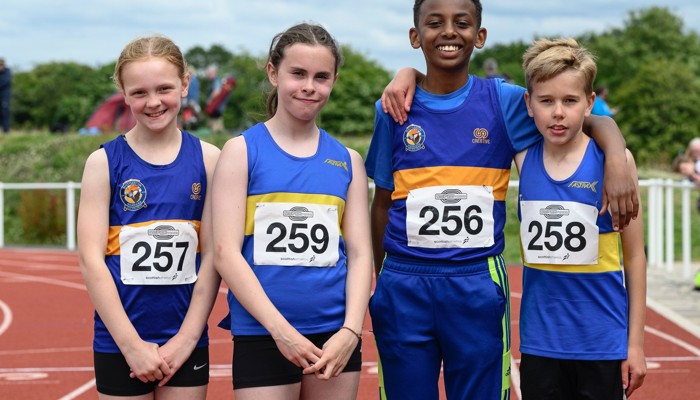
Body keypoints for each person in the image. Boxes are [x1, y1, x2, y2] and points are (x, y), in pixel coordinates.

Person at [365, 1, 639, 399]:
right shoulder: (393, 107)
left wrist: (615, 153)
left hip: (476, 282)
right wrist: (381, 282)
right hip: (403, 284)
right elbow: (382, 203)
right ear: (414, 36)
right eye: (434, 23)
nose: (448, 32)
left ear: (479, 36)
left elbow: (575, 110)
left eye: (461, 23)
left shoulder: (507, 102)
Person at [211, 23, 372, 400]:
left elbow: (361, 253)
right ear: (273, 72)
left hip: (334, 337)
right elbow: (225, 253)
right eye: (297, 73)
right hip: (264, 333)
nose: (309, 86)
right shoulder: (242, 151)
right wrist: (280, 331)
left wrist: (350, 331)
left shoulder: (347, 161)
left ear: (333, 80)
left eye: (321, 77)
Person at [77, 34, 221, 399]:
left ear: (185, 84)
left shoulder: (209, 160)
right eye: (139, 92)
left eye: (164, 89)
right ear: (123, 94)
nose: (153, 102)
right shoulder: (103, 163)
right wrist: (131, 346)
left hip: (186, 340)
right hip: (119, 342)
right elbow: (91, 261)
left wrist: (186, 338)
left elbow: (213, 259)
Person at [514, 37, 647, 400]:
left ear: (589, 103)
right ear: (529, 104)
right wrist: (409, 73)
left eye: (570, 101)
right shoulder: (523, 158)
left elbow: (634, 257)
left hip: (603, 343)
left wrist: (635, 344)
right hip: (541, 345)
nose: (558, 113)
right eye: (546, 101)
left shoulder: (617, 164)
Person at [204, 64, 228, 132]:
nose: (207, 75)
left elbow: (217, 91)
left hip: (214, 108)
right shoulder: (217, 80)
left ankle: (216, 140)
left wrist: (210, 99)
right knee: (218, 126)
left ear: (212, 72)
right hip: (217, 108)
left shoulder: (216, 80)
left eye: (208, 73)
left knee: (214, 127)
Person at [0, 57, 11, 133]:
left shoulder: (7, 72)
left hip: (4, 97)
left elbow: (5, 82)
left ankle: (6, 131)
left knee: (4, 113)